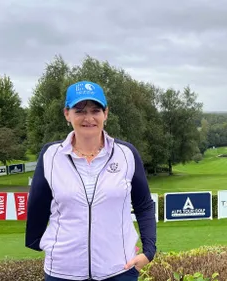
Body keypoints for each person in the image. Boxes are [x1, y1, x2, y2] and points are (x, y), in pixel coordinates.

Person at [25, 81, 157, 281]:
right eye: (79, 111)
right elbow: (37, 205)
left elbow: (143, 205)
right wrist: (38, 243)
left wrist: (148, 251)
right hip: (62, 272)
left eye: (95, 110)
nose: (88, 118)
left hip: (119, 269)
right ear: (67, 114)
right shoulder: (50, 155)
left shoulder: (126, 153)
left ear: (106, 114)